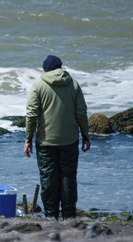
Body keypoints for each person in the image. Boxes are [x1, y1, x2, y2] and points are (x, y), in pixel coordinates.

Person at [24, 55, 91, 220]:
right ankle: (69, 216)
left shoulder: (38, 86)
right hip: (69, 140)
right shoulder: (73, 84)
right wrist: (85, 136)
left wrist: (28, 139)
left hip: (46, 141)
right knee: (68, 177)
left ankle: (50, 215)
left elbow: (31, 115)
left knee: (48, 179)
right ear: (61, 68)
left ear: (44, 70)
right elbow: (81, 112)